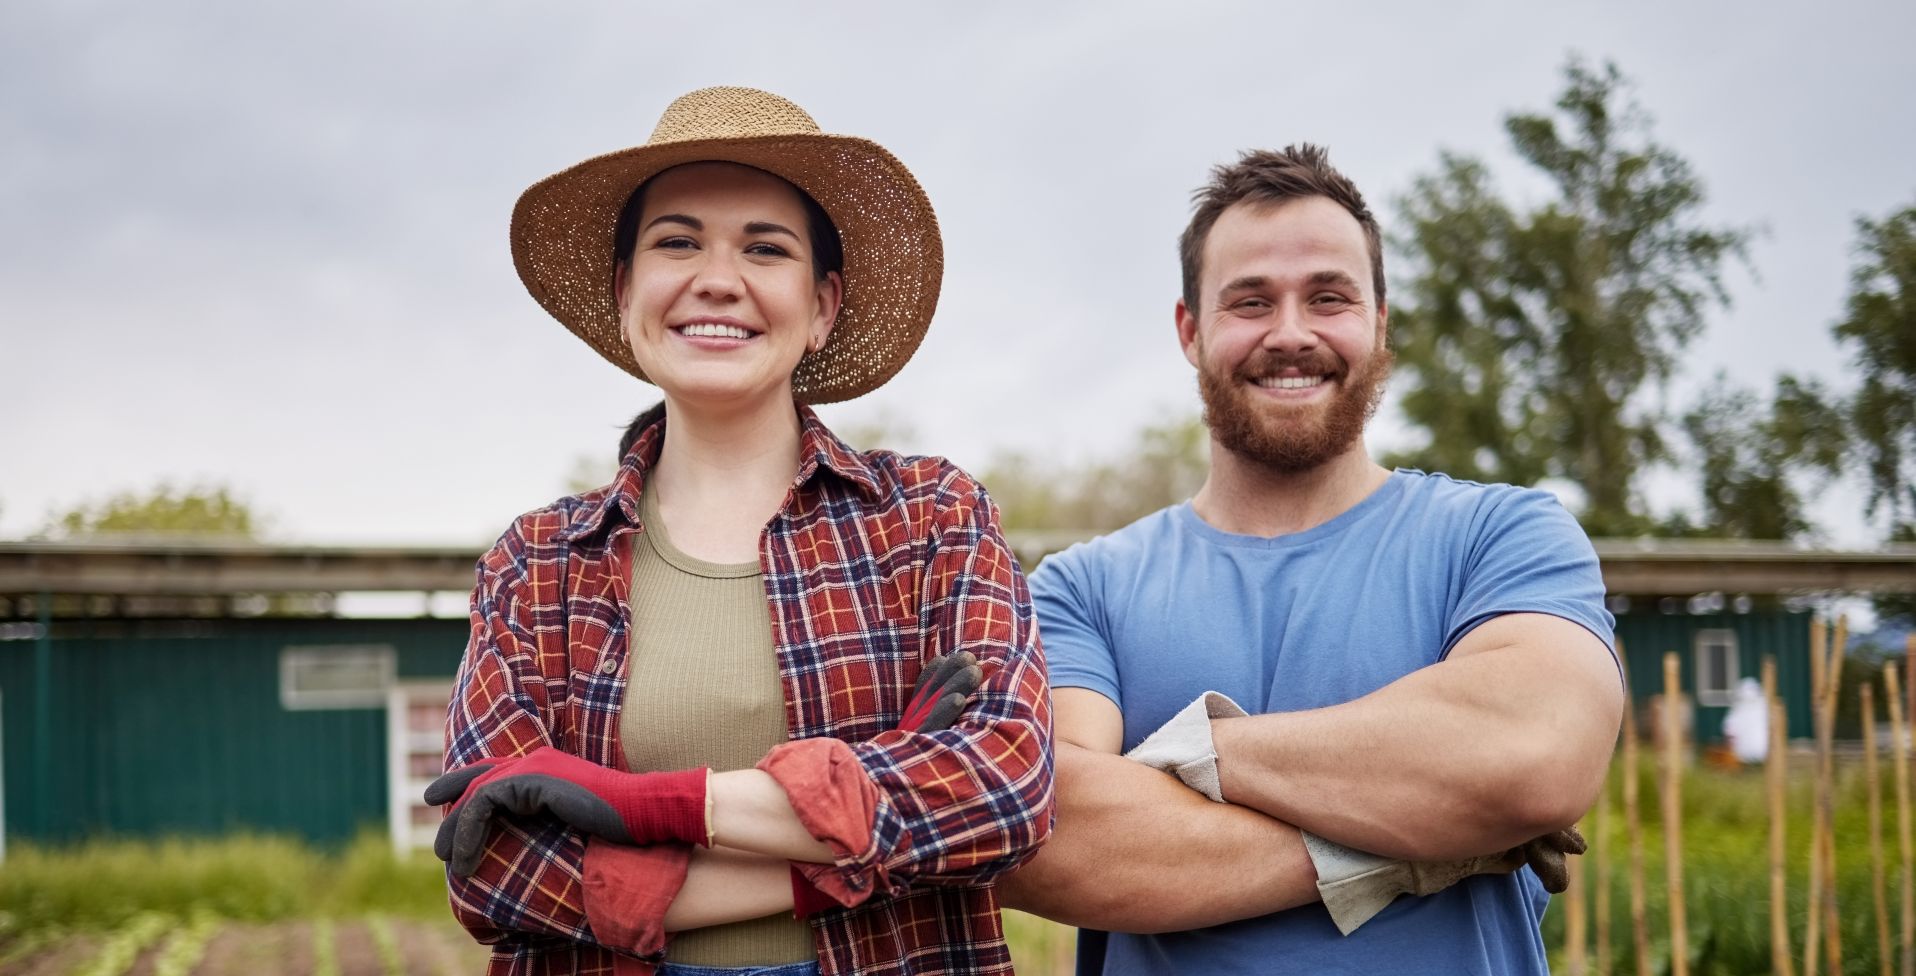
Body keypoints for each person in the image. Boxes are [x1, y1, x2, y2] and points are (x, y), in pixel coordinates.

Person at [429, 87, 1053, 976]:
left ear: (823, 304)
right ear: (626, 292)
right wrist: (855, 834)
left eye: (765, 248)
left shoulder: (932, 518)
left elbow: (1004, 787)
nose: (718, 279)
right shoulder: (536, 565)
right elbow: (492, 871)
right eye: (677, 242)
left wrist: (640, 806)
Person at [997, 144, 1623, 974]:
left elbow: (1533, 755)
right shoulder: (1081, 590)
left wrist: (1190, 754)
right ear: (1191, 331)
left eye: (1328, 297)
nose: (1291, 334)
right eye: (1251, 301)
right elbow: (1046, 839)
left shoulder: (1503, 536)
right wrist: (1416, 840)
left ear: (1379, 321)